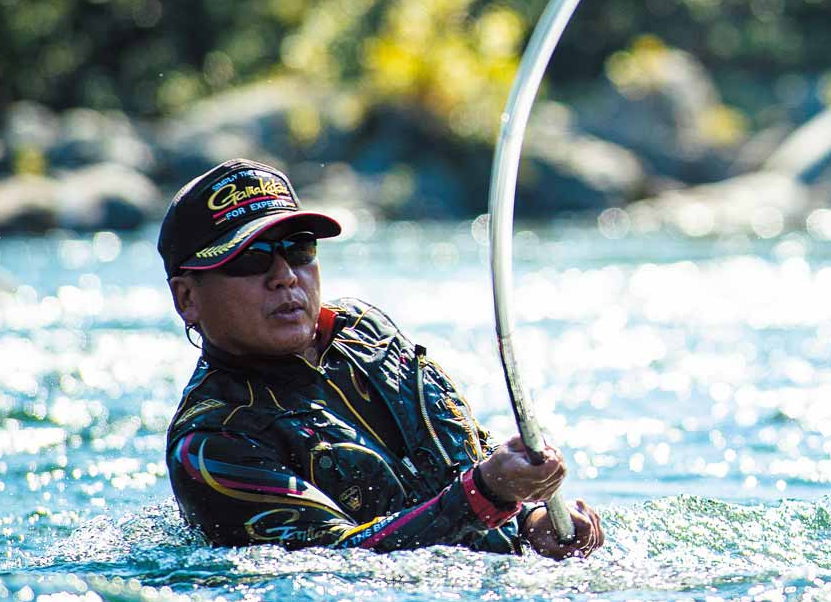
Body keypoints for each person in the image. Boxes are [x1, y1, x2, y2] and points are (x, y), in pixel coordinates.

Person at [159, 158, 605, 557]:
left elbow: (464, 452)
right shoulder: (211, 447)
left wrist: (531, 520)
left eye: (298, 248)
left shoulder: (365, 329)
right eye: (249, 260)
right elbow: (341, 561)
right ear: (187, 299)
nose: (284, 276)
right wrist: (488, 493)